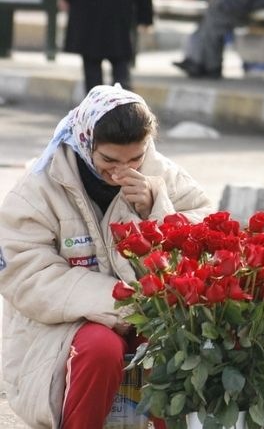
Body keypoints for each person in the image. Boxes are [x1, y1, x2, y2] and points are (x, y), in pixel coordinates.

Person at [0, 85, 214, 428]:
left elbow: (206, 230)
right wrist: (121, 303)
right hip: (64, 324)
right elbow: (23, 272)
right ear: (87, 144)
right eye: (109, 161)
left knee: (170, 346)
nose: (120, 172)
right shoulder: (39, 187)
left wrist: (155, 207)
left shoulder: (163, 173)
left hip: (151, 312)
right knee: (100, 349)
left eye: (135, 159)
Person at [58, 0, 153, 94]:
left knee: (92, 66)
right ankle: (124, 109)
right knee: (120, 62)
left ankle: (96, 108)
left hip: (88, 10)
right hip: (119, 10)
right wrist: (145, 14)